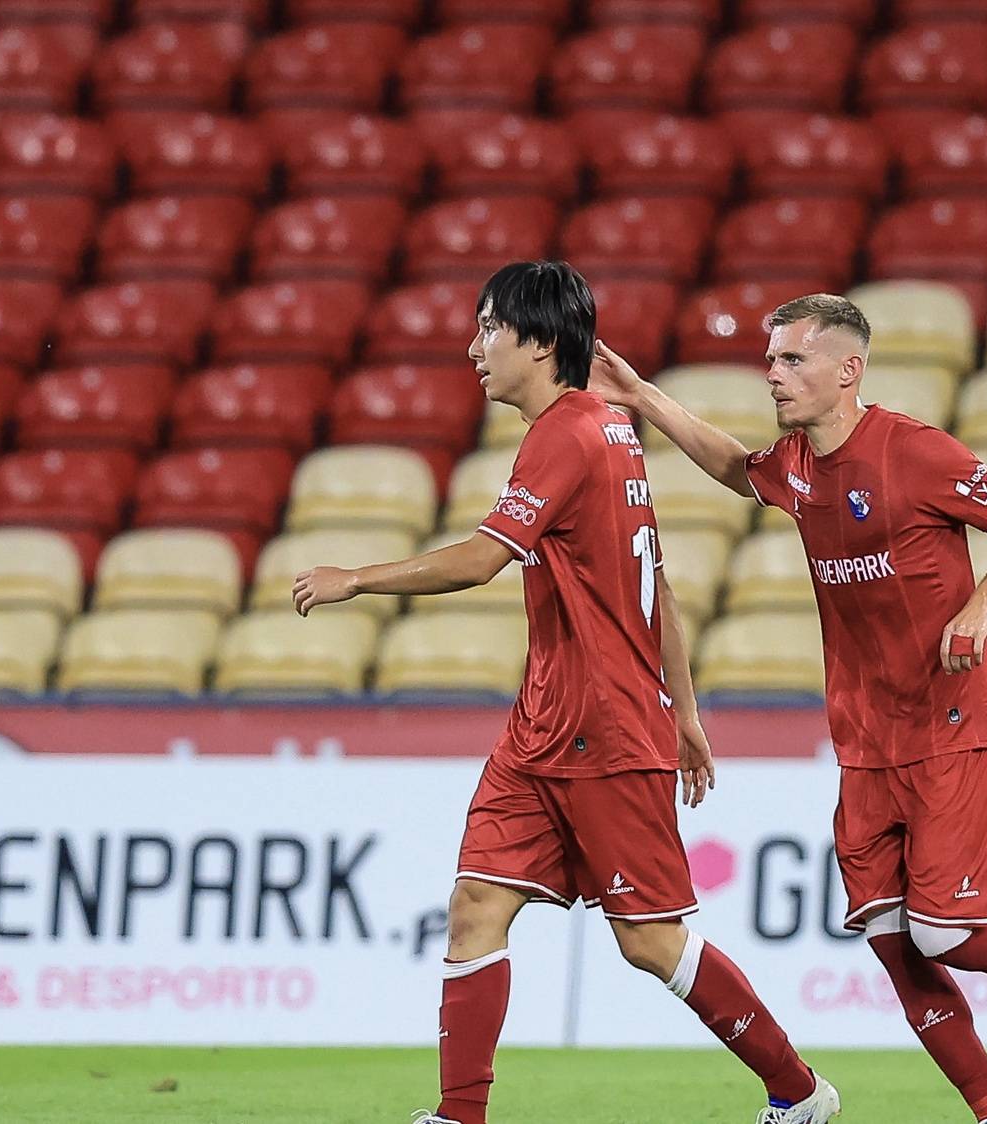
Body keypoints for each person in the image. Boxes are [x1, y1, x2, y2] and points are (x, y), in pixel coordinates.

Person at [588, 293, 987, 1124]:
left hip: (950, 725)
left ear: (847, 370)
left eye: (792, 360)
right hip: (864, 741)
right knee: (896, 944)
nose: (773, 375)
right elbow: (734, 467)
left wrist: (984, 602)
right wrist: (645, 399)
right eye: (772, 359)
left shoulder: (912, 451)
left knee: (945, 933)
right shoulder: (797, 465)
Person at [292, 262, 839, 1124]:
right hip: (544, 726)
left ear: (540, 342)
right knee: (476, 905)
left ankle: (800, 1091)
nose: (474, 348)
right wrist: (687, 710)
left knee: (650, 941)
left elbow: (482, 559)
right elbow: (651, 580)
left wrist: (354, 578)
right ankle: (459, 1115)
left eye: (488, 329)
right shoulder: (609, 429)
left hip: (606, 731)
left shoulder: (572, 434)